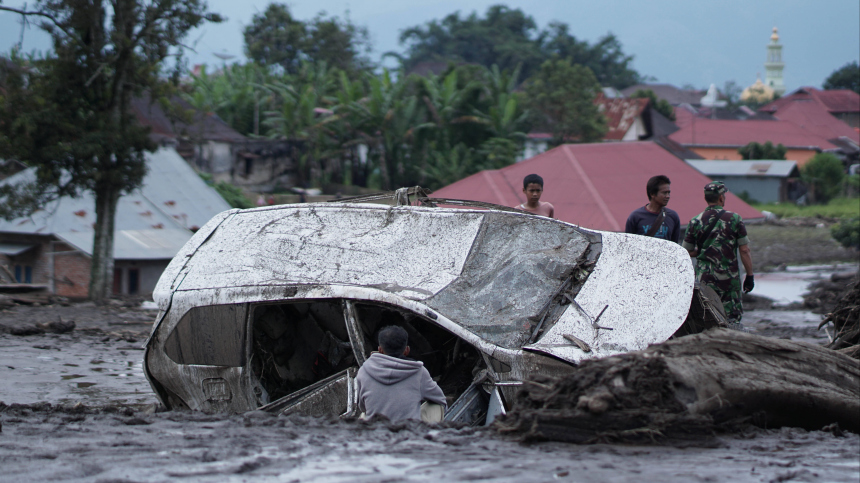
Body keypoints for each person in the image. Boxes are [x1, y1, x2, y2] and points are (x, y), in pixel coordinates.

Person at [682, 181, 755, 326]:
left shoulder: (695, 221)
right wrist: (750, 276)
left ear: (706, 198)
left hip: (705, 279)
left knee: (707, 316)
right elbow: (744, 250)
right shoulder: (735, 219)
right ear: (721, 197)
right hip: (729, 280)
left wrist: (701, 251)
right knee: (732, 319)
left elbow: (686, 251)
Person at [355, 326, 447, 422]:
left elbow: (363, 407)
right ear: (407, 350)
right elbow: (439, 399)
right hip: (409, 434)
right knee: (437, 405)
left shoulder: (363, 372)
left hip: (377, 435)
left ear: (380, 350)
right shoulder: (418, 372)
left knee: (363, 415)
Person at [625, 175, 682, 243]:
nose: (668, 196)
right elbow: (628, 244)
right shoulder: (635, 216)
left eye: (668, 192)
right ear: (652, 194)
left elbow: (674, 246)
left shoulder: (673, 216)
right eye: (664, 193)